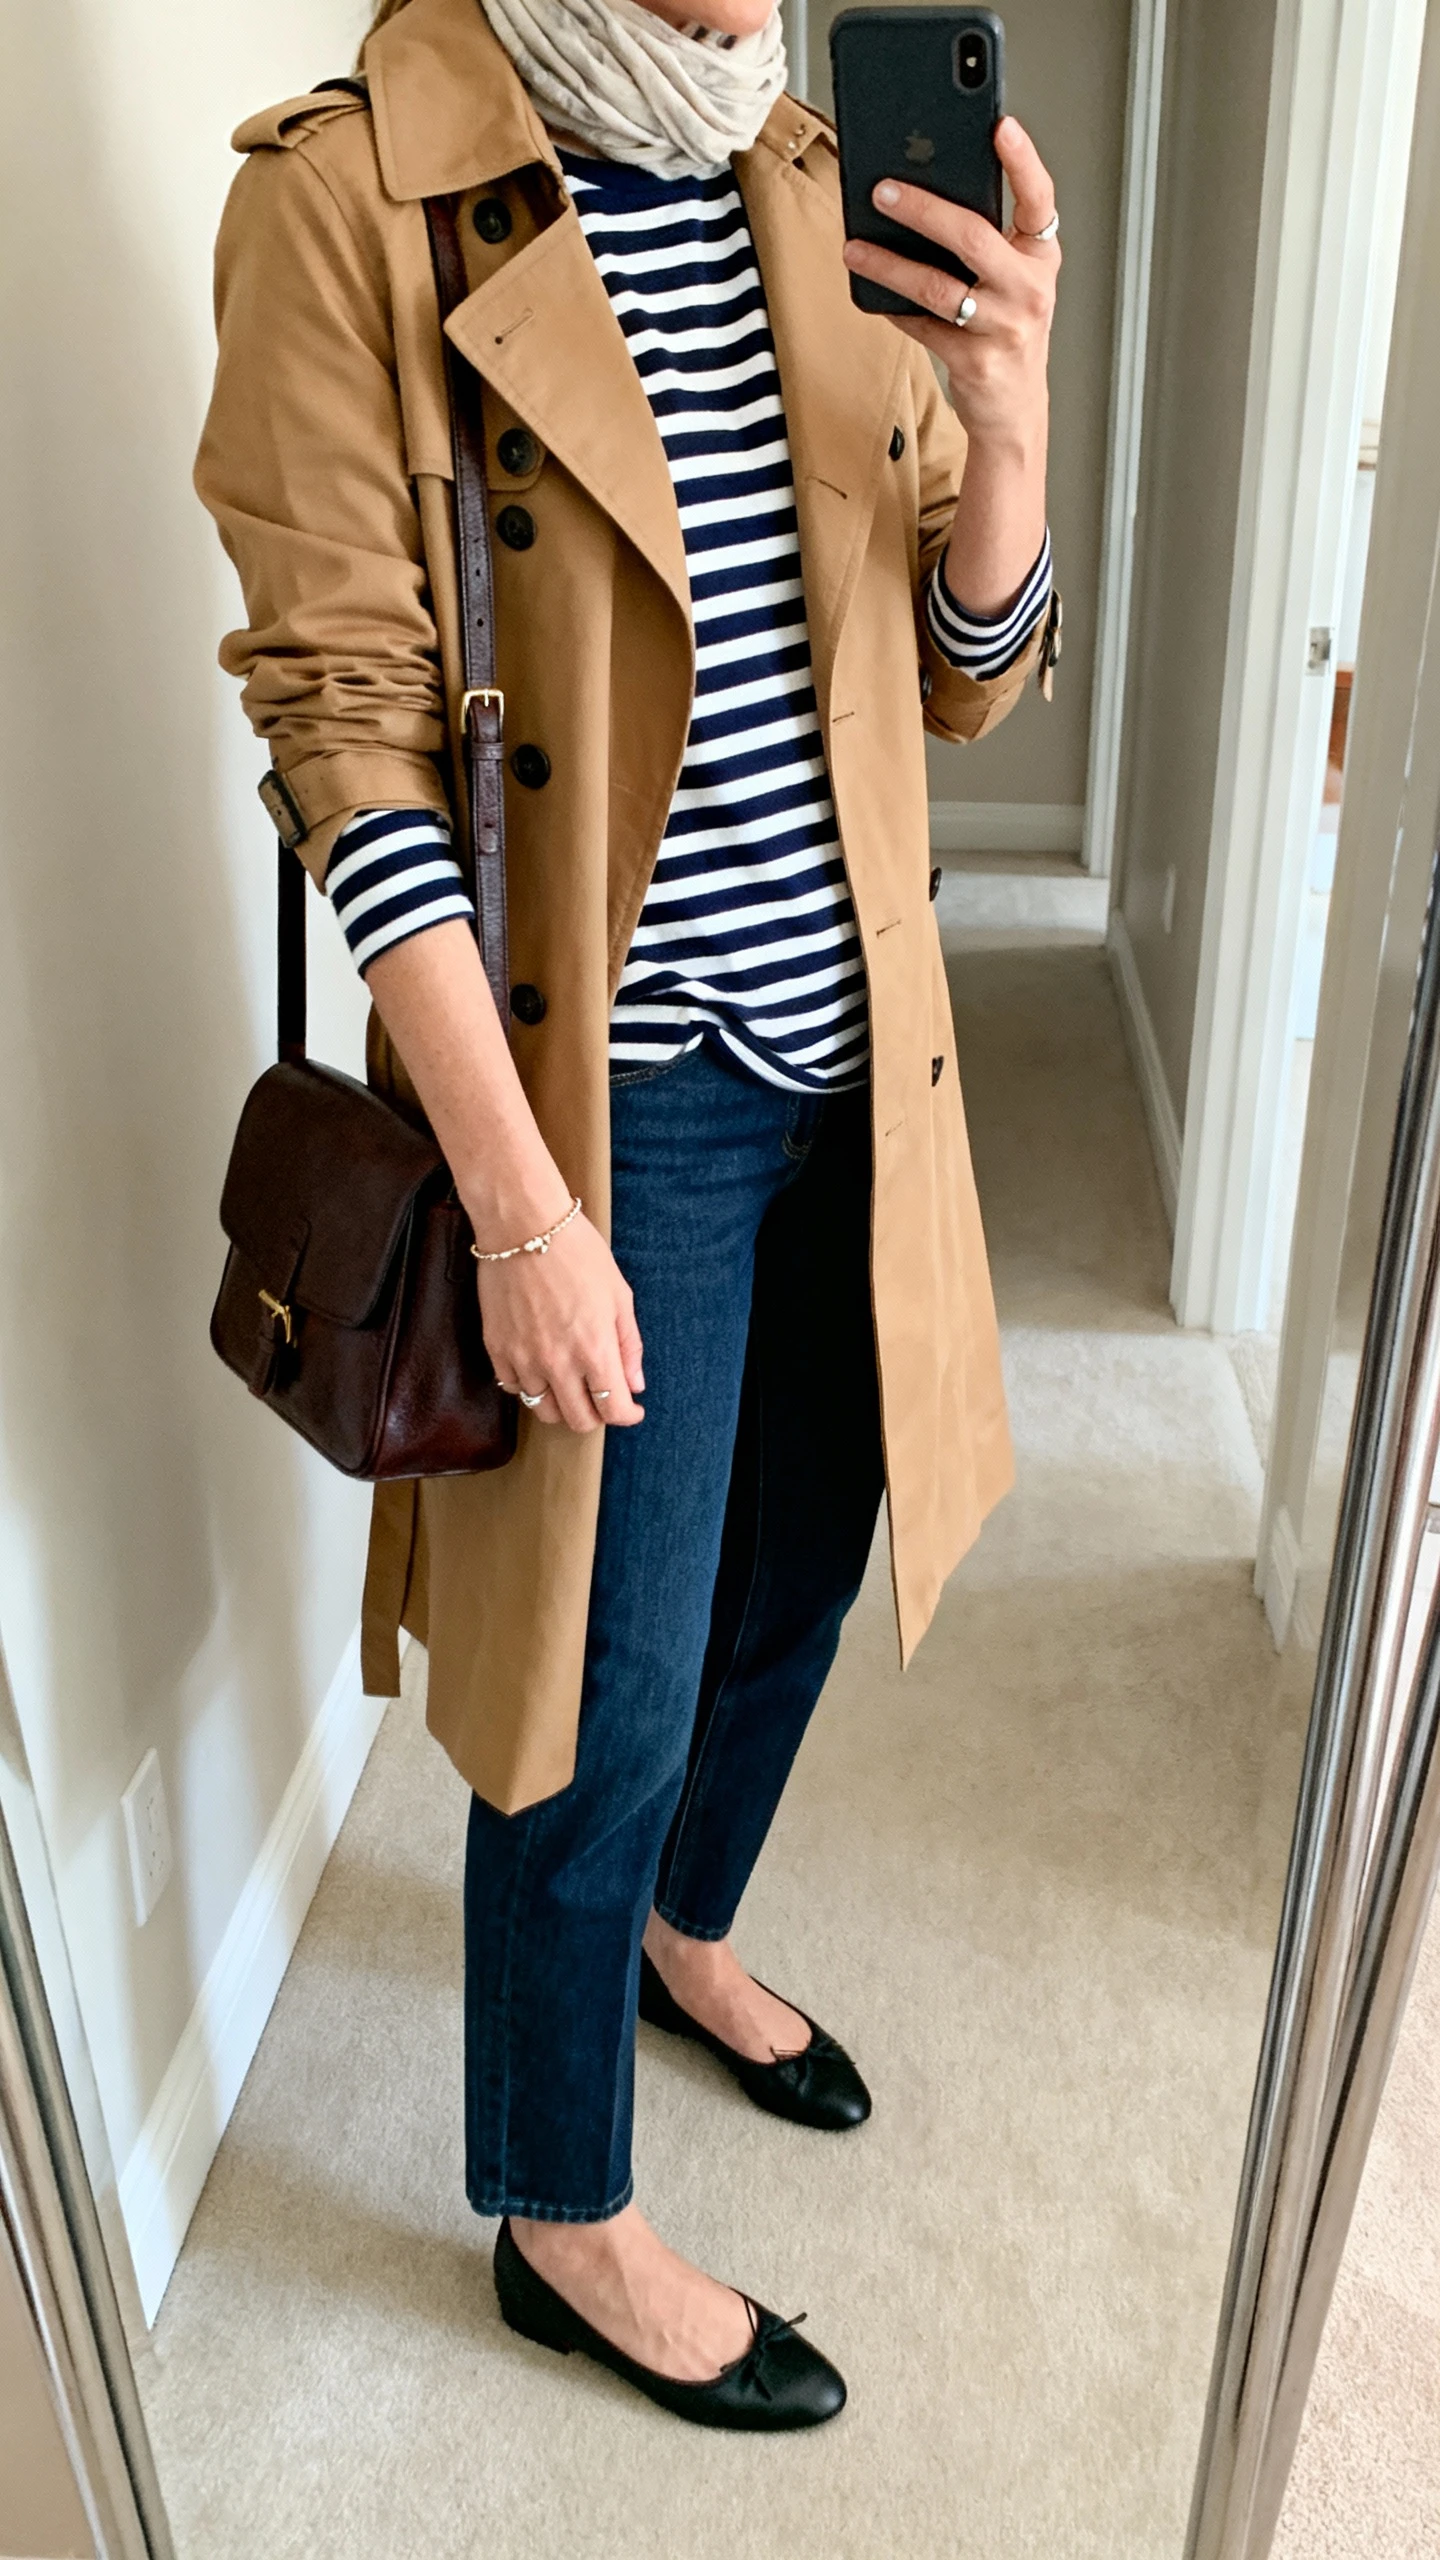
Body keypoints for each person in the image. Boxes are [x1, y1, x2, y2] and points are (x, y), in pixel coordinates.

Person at [196, 0, 1058, 2431]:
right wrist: (520, 1206)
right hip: (618, 1108)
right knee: (604, 1676)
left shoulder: (805, 164)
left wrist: (1006, 422)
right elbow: (348, 741)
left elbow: (965, 673)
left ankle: (684, 1926)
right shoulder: (348, 194)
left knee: (800, 1568)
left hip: (861, 1063)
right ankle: (559, 2204)